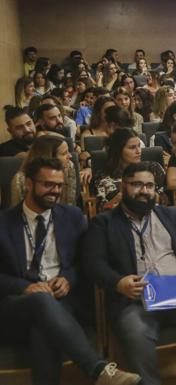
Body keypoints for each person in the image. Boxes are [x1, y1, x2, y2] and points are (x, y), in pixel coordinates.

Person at [0, 157, 141, 385]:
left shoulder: (72, 217)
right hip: (16, 306)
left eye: (59, 186)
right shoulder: (4, 223)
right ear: (28, 183)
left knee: (43, 331)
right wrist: (25, 287)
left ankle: (100, 373)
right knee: (40, 301)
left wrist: (68, 277)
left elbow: (85, 262)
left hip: (61, 299)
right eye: (48, 185)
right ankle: (98, 369)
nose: (55, 192)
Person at [83, 162, 176, 385]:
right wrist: (118, 282)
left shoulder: (171, 216)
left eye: (149, 185)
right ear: (123, 187)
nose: (144, 191)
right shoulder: (104, 222)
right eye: (137, 184)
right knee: (135, 331)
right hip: (135, 300)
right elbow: (93, 264)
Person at [93, 129, 164, 212]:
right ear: (118, 151)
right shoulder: (103, 177)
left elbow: (167, 198)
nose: (139, 151)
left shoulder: (154, 168)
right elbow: (100, 210)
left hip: (155, 215)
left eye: (139, 146)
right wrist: (116, 199)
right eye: (132, 147)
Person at [11, 135, 77, 207]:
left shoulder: (69, 167)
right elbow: (17, 211)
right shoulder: (20, 180)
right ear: (50, 158)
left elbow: (70, 203)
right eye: (64, 153)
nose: (70, 156)